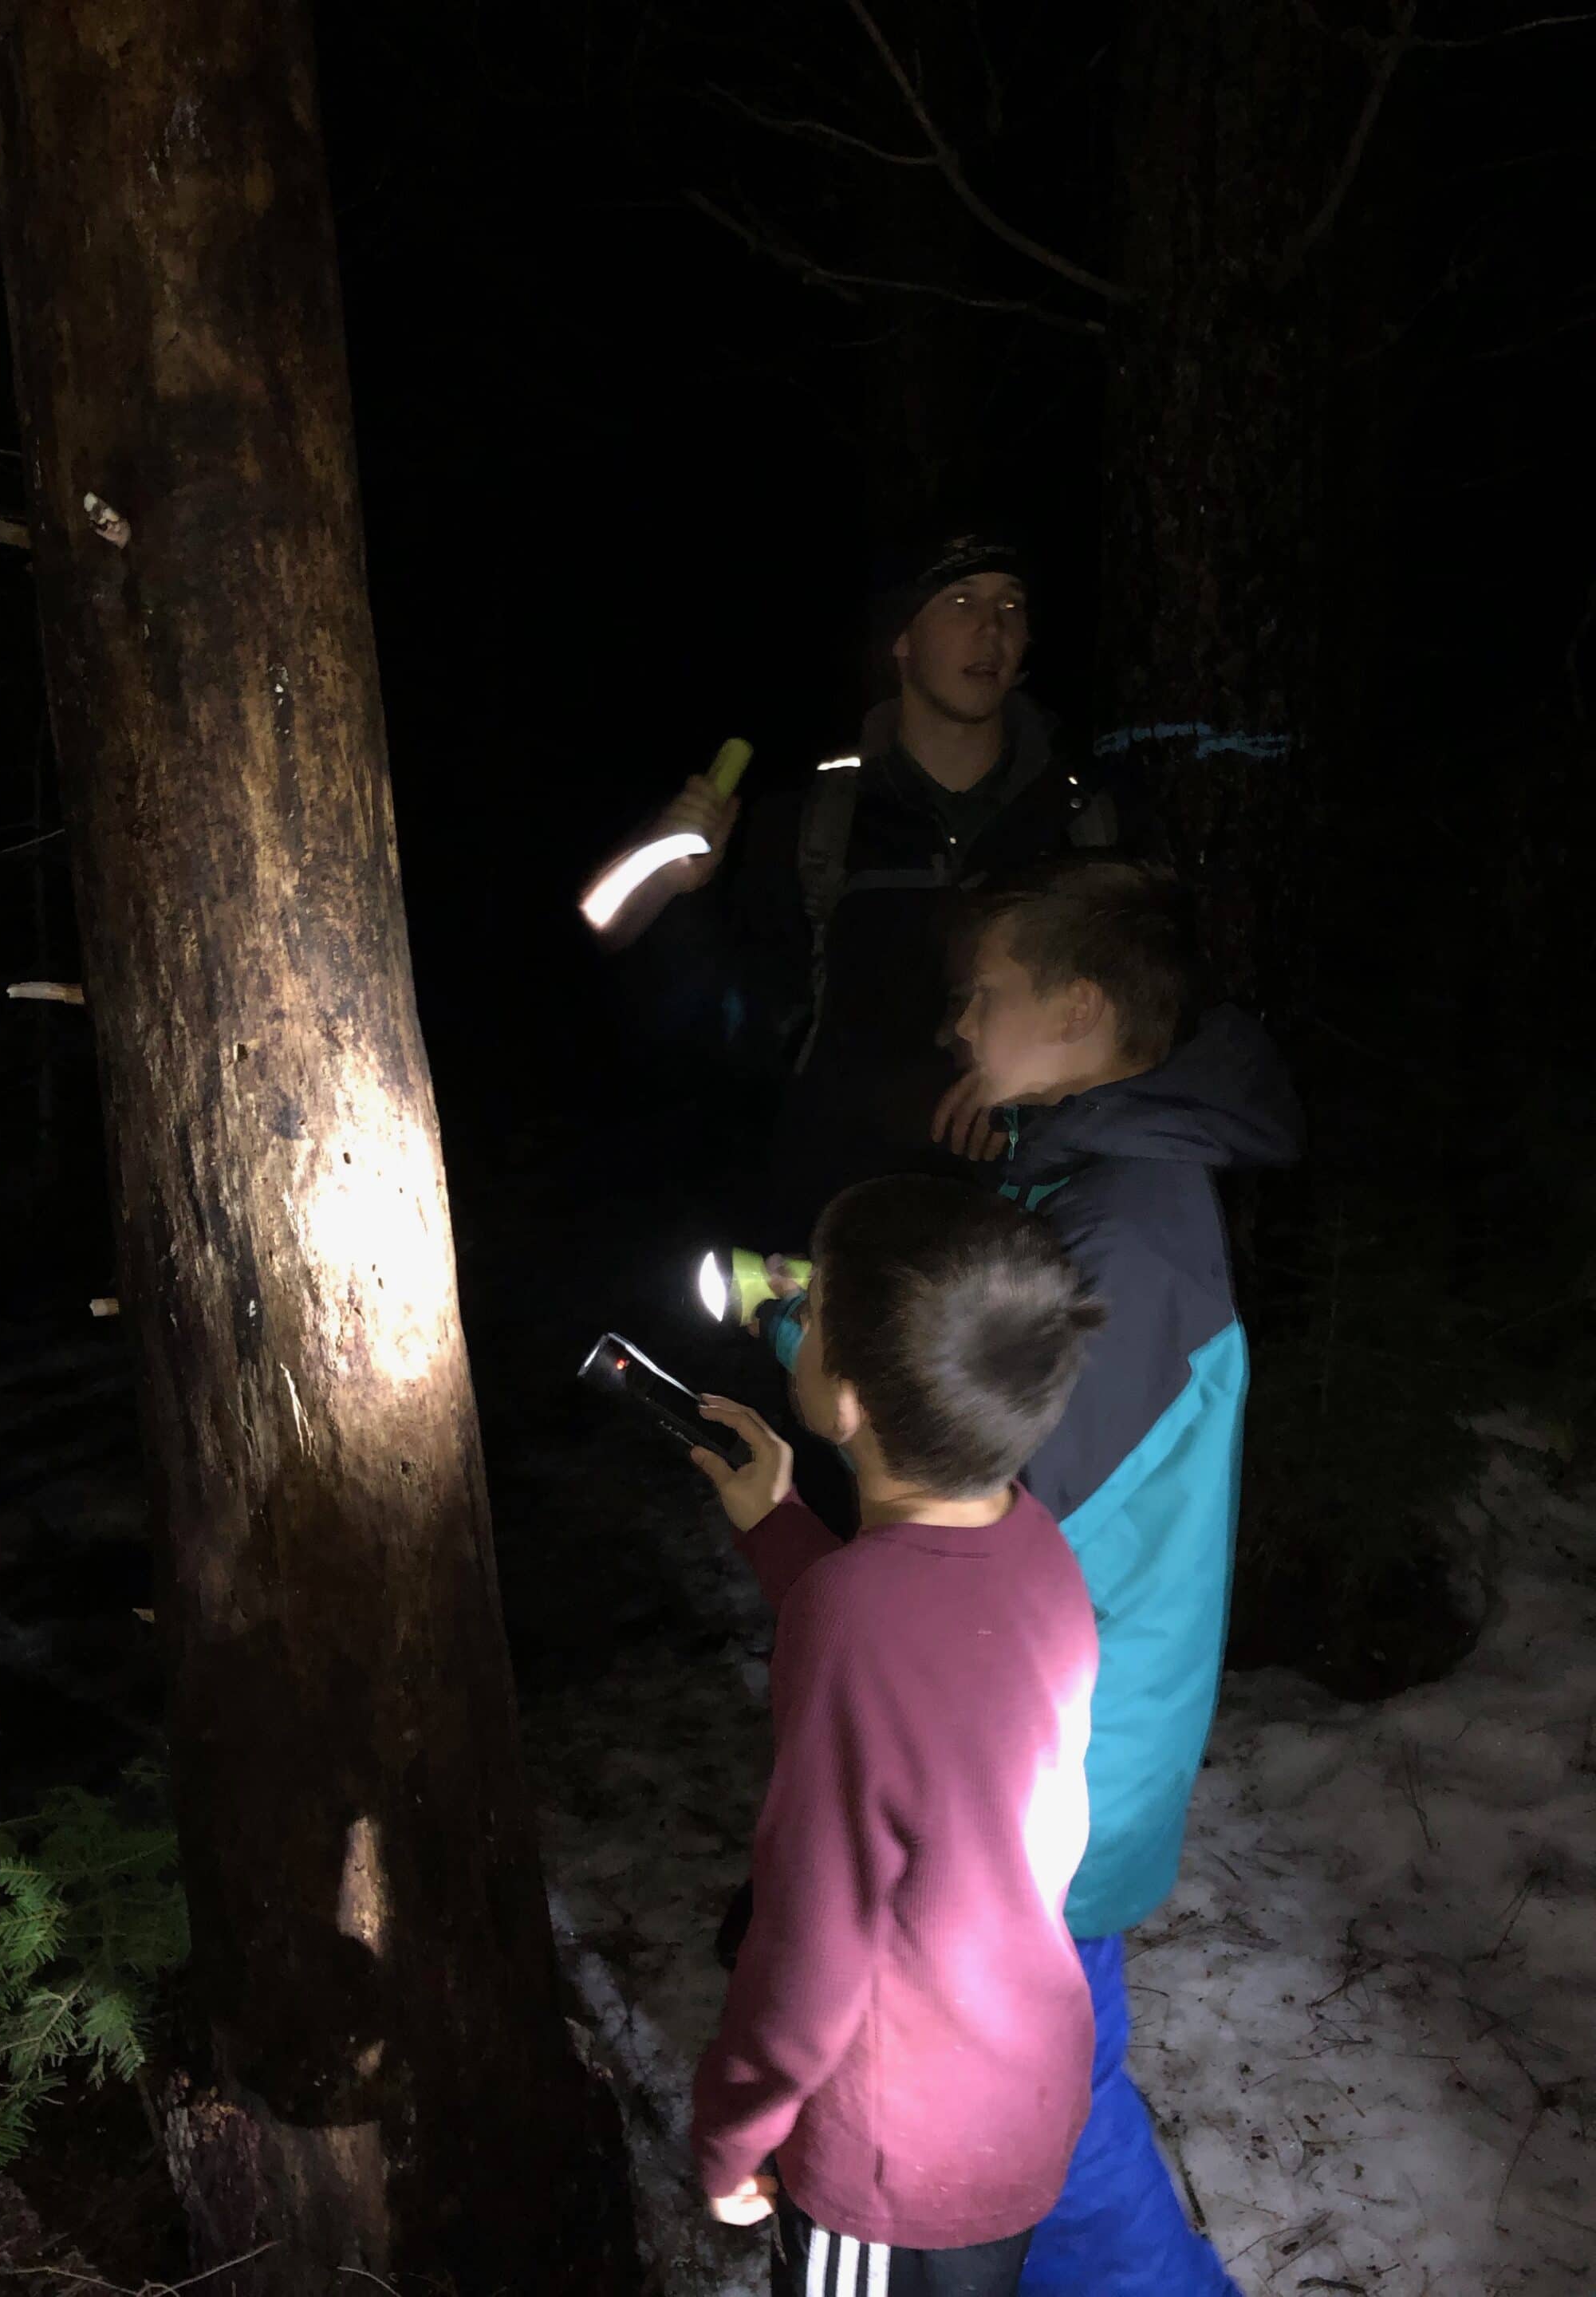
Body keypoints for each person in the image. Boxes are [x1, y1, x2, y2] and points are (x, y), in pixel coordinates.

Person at [951, 855, 1305, 2296]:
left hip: (1062, 1759)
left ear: (1082, 1007)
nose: (959, 1028)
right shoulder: (1091, 1176)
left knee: (1055, 2102)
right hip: (1067, 1736)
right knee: (1054, 2070)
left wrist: (850, 1386)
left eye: (984, 998)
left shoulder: (1130, 1229)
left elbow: (1001, 1496)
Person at [686, 1176, 1105, 2296]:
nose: (797, 1323)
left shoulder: (854, 1617)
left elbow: (810, 1938)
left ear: (853, 1401)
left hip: (892, 2154)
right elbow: (921, 1662)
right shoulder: (1037, 1547)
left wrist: (731, 2130)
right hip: (1016, 2088)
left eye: (816, 1316)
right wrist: (780, 1530)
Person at [600, 532, 1141, 1235]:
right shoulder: (811, 819)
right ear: (901, 643)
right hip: (844, 1232)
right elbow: (734, 1032)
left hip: (1032, 1238)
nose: (992, 627)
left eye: (1012, 604)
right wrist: (682, 897)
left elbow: (1151, 1011)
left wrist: (1038, 1080)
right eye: (959, 602)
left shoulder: (1089, 815)